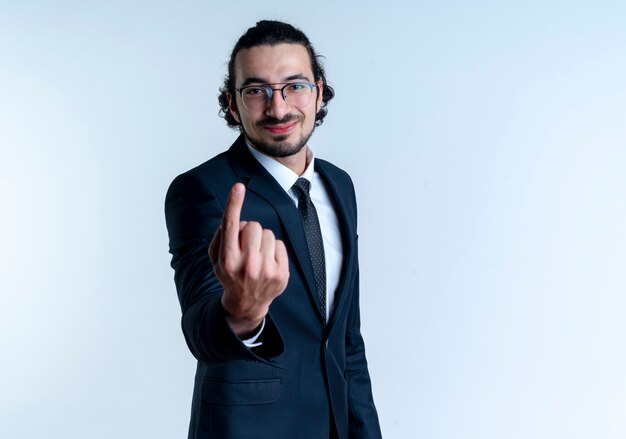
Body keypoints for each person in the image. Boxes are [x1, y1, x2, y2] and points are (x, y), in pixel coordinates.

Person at [165, 20, 382, 439]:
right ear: (232, 104)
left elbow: (346, 340)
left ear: (319, 92)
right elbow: (200, 328)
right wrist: (241, 312)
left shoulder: (340, 185)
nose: (278, 108)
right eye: (256, 91)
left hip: (337, 425)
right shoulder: (202, 190)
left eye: (294, 86)